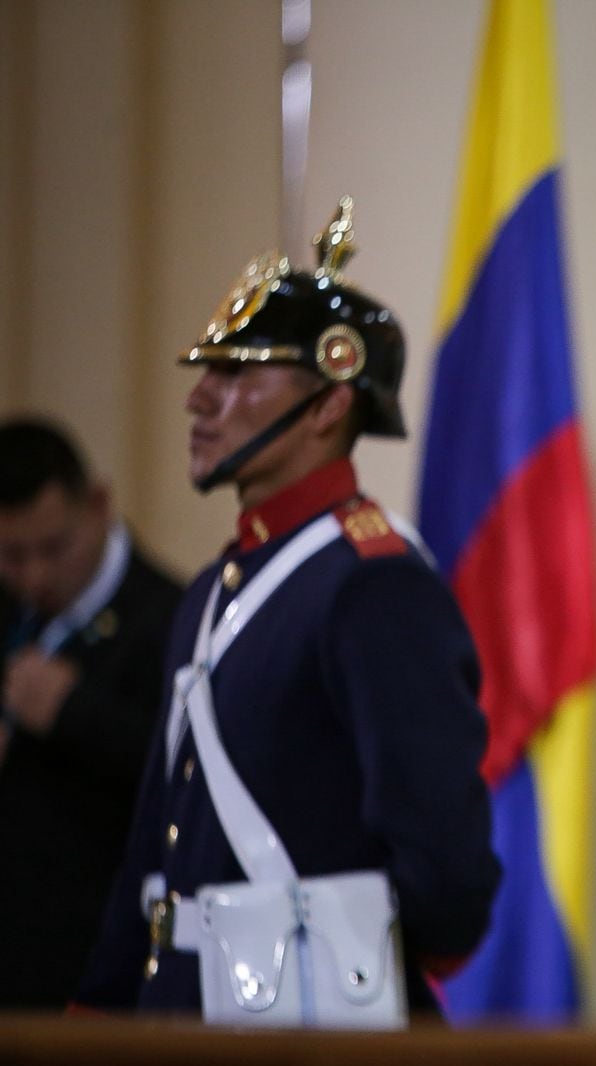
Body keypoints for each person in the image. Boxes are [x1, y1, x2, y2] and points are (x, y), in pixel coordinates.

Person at [76, 199, 501, 1019]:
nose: (201, 400)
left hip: (301, 1025)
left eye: (237, 374)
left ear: (330, 403)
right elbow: (151, 850)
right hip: (178, 1019)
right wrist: (98, 1007)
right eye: (208, 373)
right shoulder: (212, 592)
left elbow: (444, 871)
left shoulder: (374, 585)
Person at [0, 419, 183, 1010]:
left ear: (99, 504)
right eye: (11, 555)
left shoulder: (172, 616)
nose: (34, 577)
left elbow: (183, 777)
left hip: (101, 981)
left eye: (54, 548)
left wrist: (73, 712)